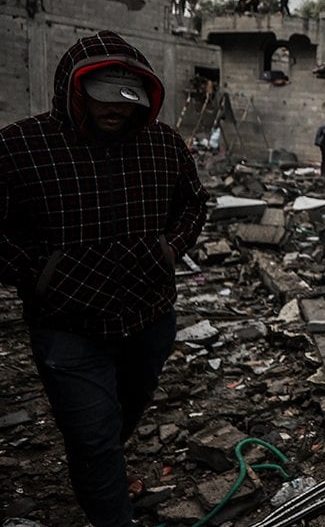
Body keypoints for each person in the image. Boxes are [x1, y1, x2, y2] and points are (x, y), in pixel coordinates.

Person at [0, 30, 209, 526]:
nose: (115, 108)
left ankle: (103, 474)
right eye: (103, 97)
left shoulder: (162, 144)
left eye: (126, 98)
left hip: (148, 318)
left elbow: (193, 204)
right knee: (92, 435)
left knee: (117, 418)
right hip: (68, 324)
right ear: (75, 91)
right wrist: (40, 272)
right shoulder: (20, 147)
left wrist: (168, 249)